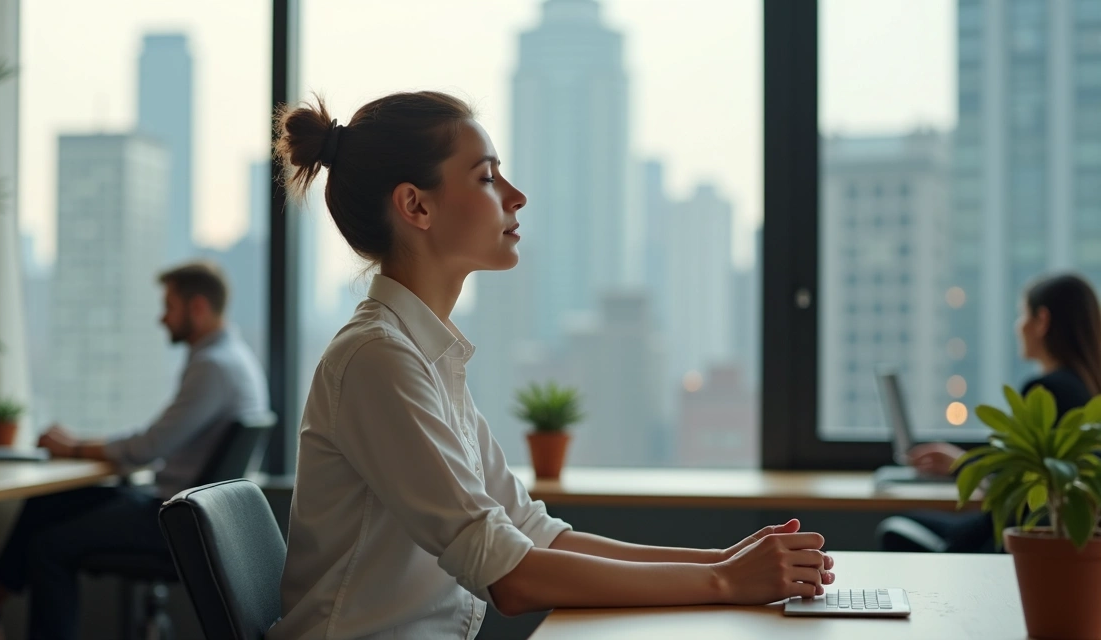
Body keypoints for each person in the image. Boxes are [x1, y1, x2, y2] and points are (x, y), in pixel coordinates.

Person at [265, 92, 834, 640]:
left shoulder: (425, 356)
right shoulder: (378, 360)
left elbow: (533, 534)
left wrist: (725, 561)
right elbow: (508, 575)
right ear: (416, 205)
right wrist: (722, 582)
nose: (516, 196)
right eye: (487, 177)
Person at [0, 261, 270, 640]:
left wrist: (72, 446)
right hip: (182, 509)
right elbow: (153, 443)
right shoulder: (233, 358)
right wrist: (80, 446)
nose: (161, 319)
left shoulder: (214, 367)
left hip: (171, 519)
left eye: (168, 307)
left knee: (47, 548)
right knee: (46, 504)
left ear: (197, 307)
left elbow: (148, 447)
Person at [879, 273, 1101, 553]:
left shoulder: (1048, 390)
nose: (1018, 326)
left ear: (1042, 321)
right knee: (909, 521)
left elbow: (1016, 483)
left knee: (896, 527)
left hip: (1004, 535)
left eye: (1023, 315)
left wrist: (963, 466)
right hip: (1015, 530)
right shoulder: (1086, 388)